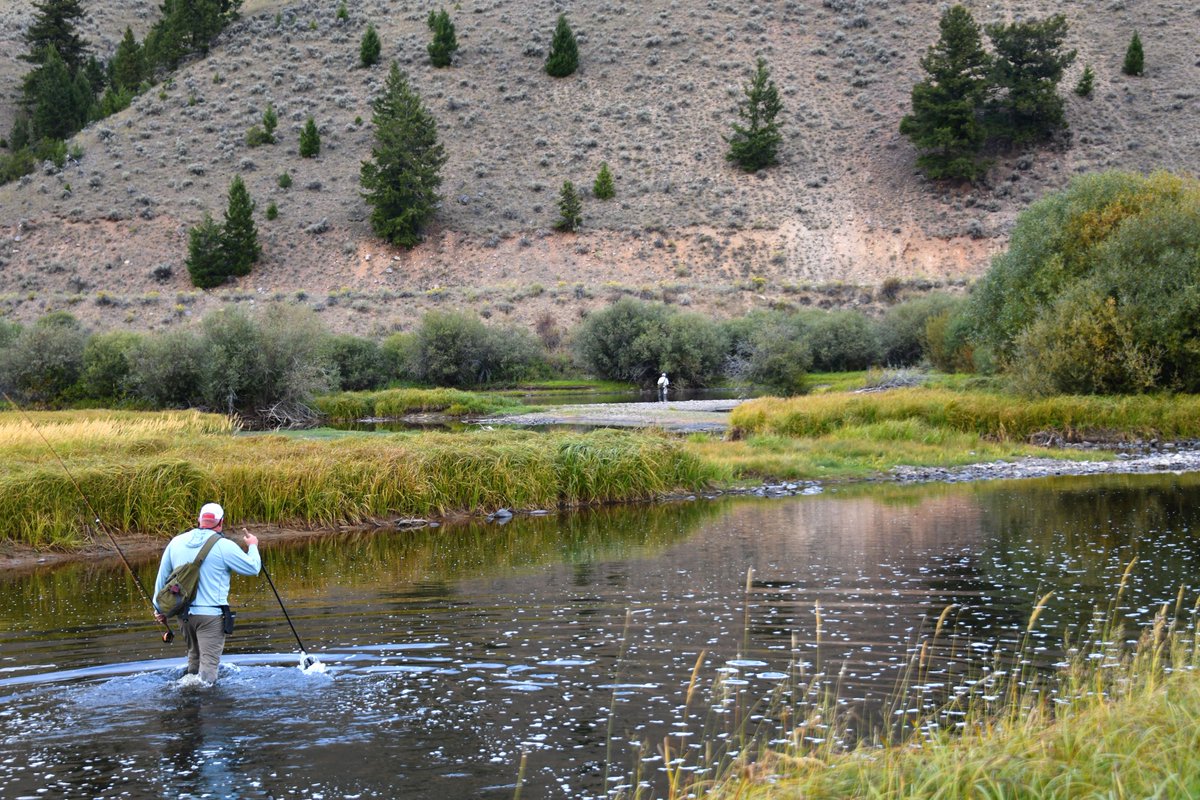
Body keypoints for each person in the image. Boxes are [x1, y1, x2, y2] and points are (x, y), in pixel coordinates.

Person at [153, 503, 261, 683]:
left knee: (194, 659)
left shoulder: (176, 542)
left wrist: (159, 610)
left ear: (199, 520)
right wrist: (253, 546)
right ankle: (205, 697)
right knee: (209, 669)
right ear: (221, 522)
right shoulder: (224, 546)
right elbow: (253, 568)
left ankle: (189, 695)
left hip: (183, 616)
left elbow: (161, 579)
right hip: (211, 617)